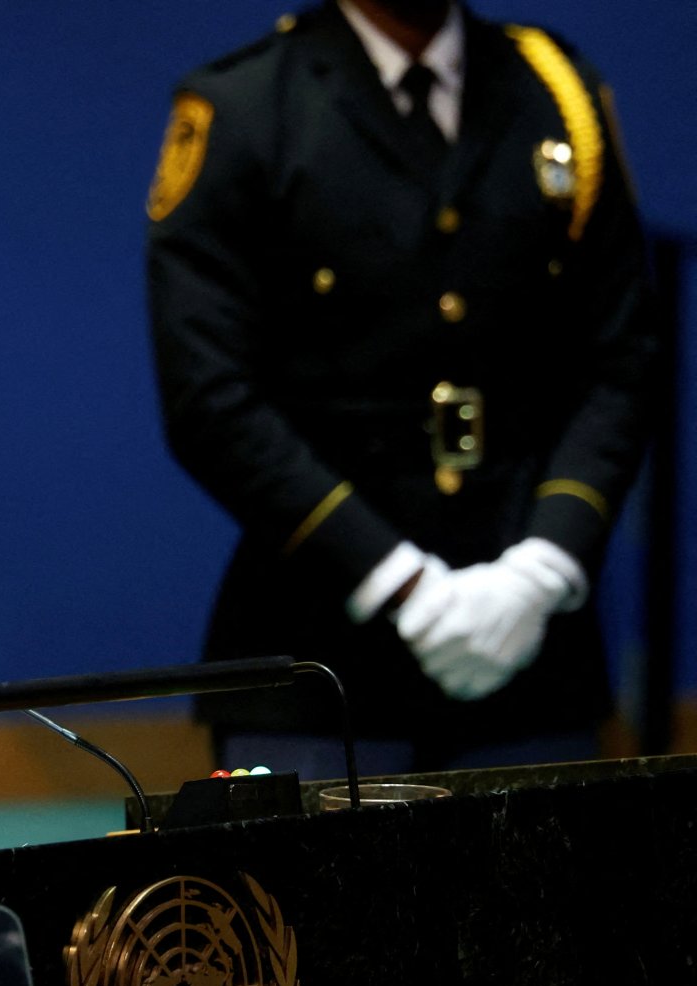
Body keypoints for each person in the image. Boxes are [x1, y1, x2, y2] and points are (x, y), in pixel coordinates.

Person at [145, 1, 656, 776]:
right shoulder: (245, 105)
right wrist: (403, 584)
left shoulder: (560, 90)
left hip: (531, 645)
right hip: (319, 665)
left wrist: (544, 567)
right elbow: (207, 395)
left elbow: (624, 356)